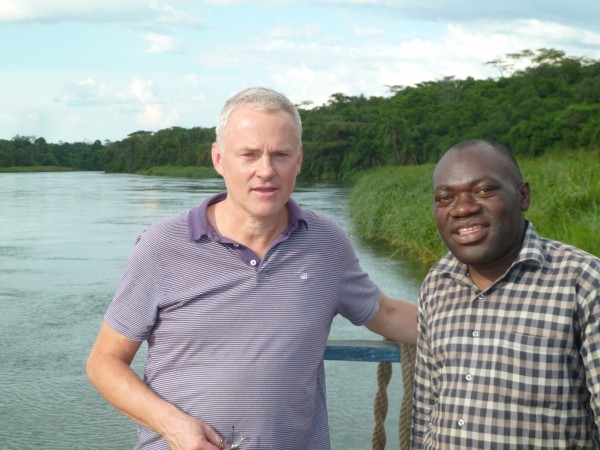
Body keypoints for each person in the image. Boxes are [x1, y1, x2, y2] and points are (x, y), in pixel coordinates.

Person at [86, 86, 418, 450]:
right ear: (219, 159)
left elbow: (385, 313)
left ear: (299, 160)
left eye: (280, 154)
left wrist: (482, 325)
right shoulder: (162, 246)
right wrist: (173, 426)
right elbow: (105, 362)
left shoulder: (327, 244)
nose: (266, 170)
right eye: (248, 154)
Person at [412, 139, 600, 448]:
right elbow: (424, 408)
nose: (462, 208)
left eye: (484, 190)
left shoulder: (583, 281)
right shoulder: (437, 283)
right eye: (445, 198)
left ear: (523, 195)